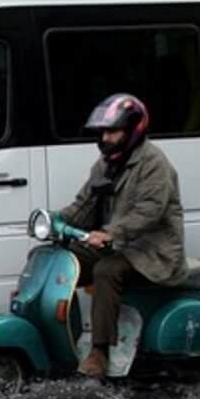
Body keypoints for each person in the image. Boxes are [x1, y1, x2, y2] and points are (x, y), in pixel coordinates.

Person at [60, 92, 187, 379]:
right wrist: (55, 219)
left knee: (106, 270)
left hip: (152, 251)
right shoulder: (106, 164)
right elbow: (84, 203)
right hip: (118, 245)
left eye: (113, 131)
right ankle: (65, 340)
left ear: (132, 130)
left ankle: (100, 352)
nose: (106, 137)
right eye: (103, 131)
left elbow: (149, 211)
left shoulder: (154, 163)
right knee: (65, 263)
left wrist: (110, 233)